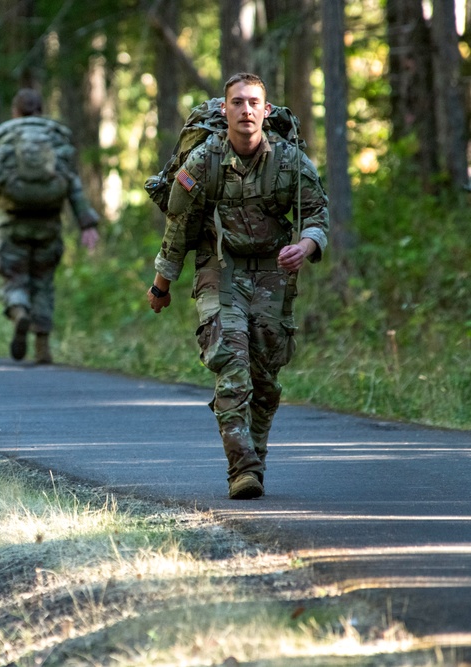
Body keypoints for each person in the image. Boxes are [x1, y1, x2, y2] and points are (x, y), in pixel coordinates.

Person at [146, 72, 329, 500]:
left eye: (253, 103)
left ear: (266, 111)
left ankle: (255, 454)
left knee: (264, 378)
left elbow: (317, 214)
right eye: (237, 103)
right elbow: (178, 228)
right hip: (219, 269)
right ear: (224, 110)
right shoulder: (203, 162)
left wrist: (305, 246)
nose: (246, 110)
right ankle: (242, 468)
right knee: (232, 364)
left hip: (271, 273)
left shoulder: (289, 161)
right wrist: (161, 286)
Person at [0, 89, 99, 364]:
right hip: (49, 223)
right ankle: (42, 347)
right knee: (43, 281)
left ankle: (19, 310)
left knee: (14, 276)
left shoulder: (4, 136)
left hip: (12, 222)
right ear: (40, 110)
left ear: (15, 111)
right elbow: (72, 183)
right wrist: (86, 222)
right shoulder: (56, 136)